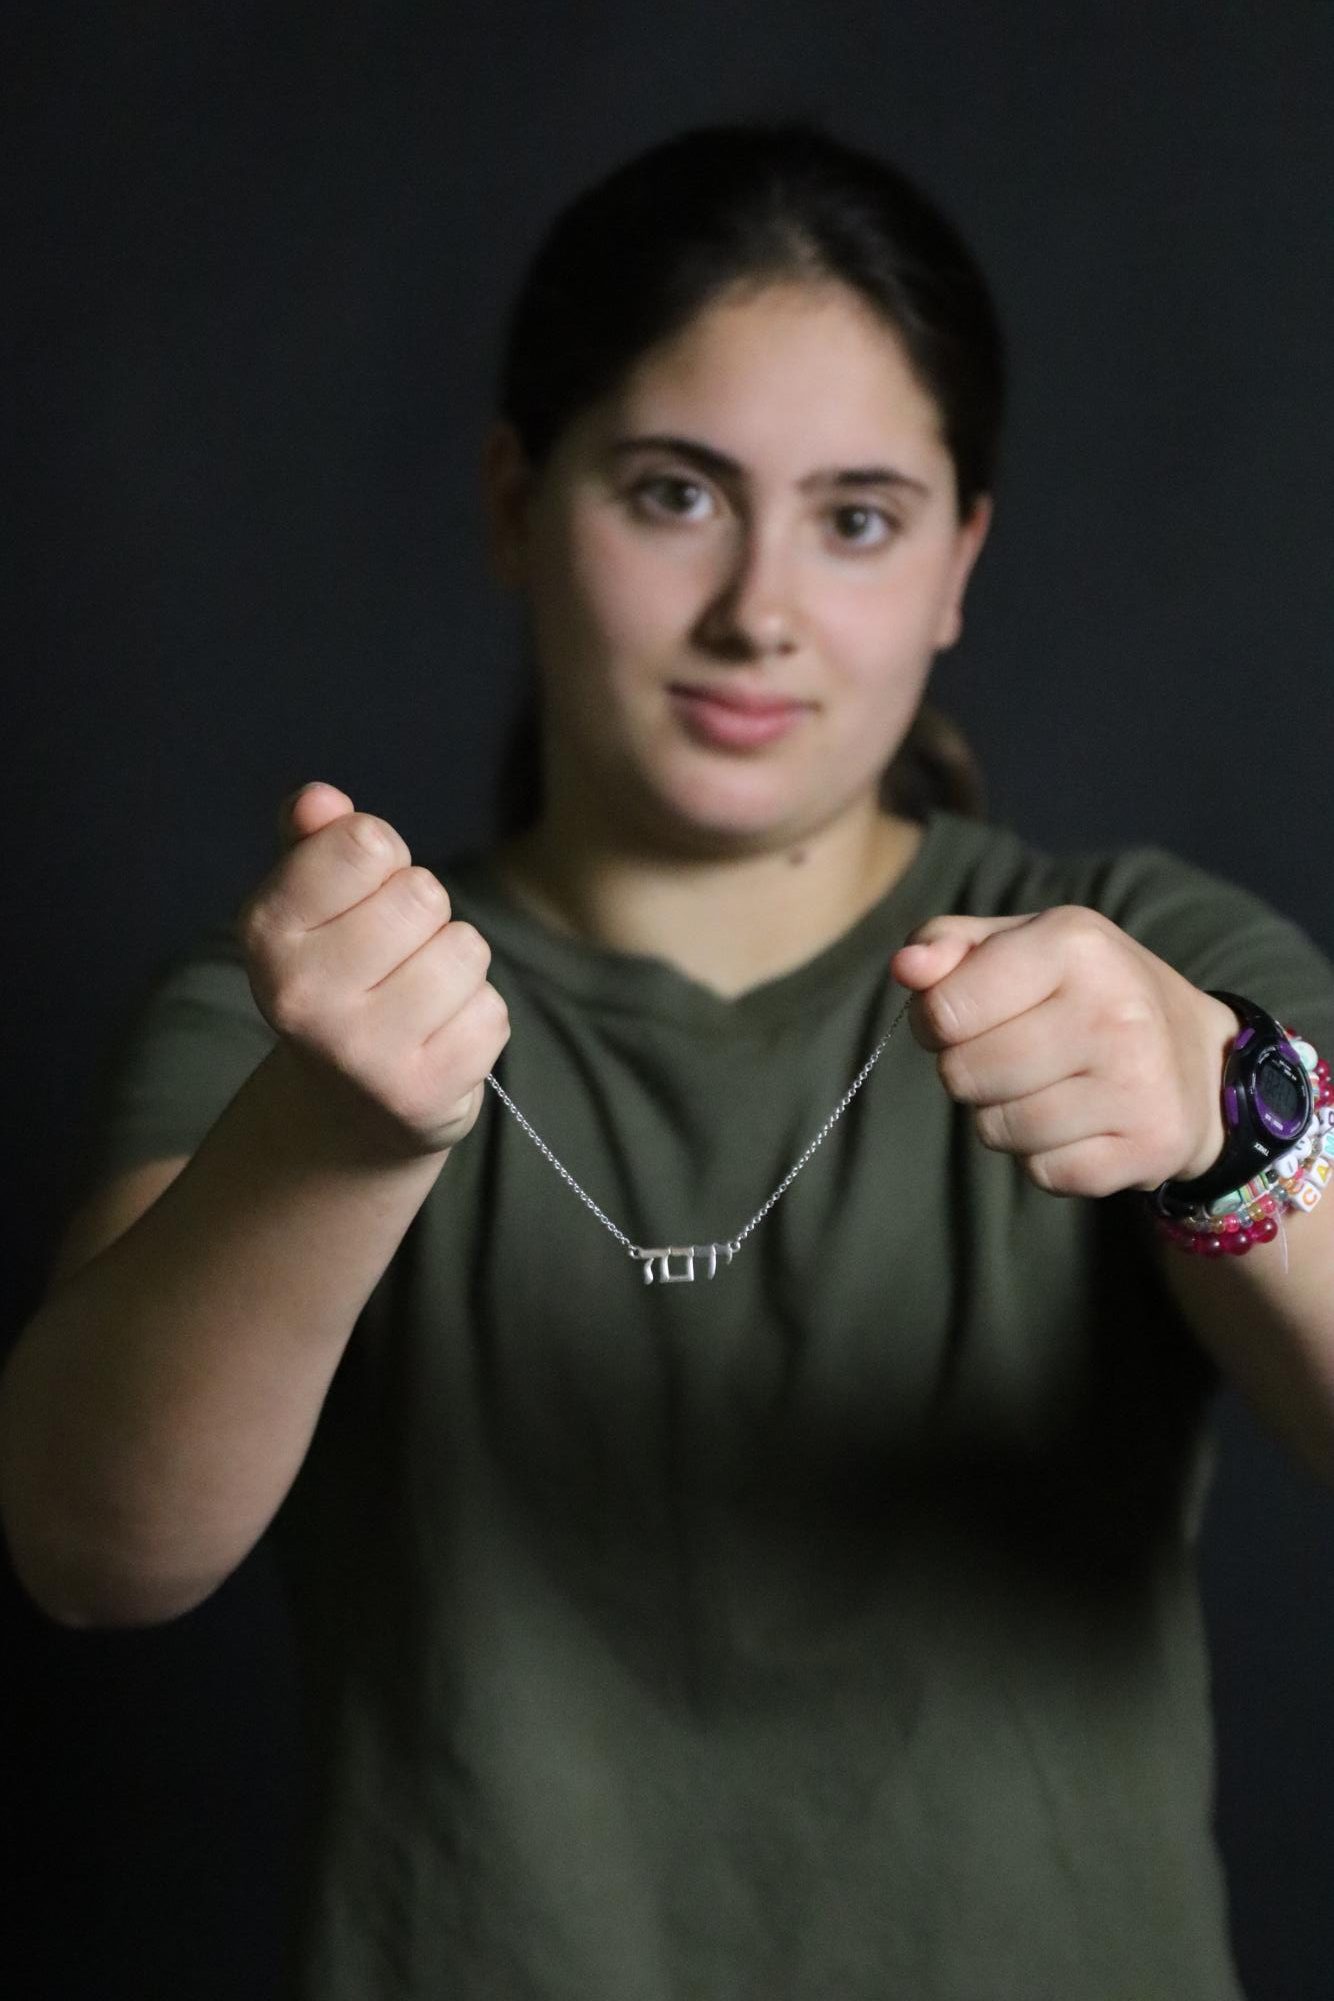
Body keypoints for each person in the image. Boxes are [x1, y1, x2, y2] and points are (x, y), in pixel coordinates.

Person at [2, 118, 1333, 2001]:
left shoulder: (1146, 962)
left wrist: (1229, 1122)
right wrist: (333, 1133)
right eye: (673, 493)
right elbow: (90, 1546)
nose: (759, 611)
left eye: (857, 518)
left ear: (959, 562)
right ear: (512, 501)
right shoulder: (303, 1002)